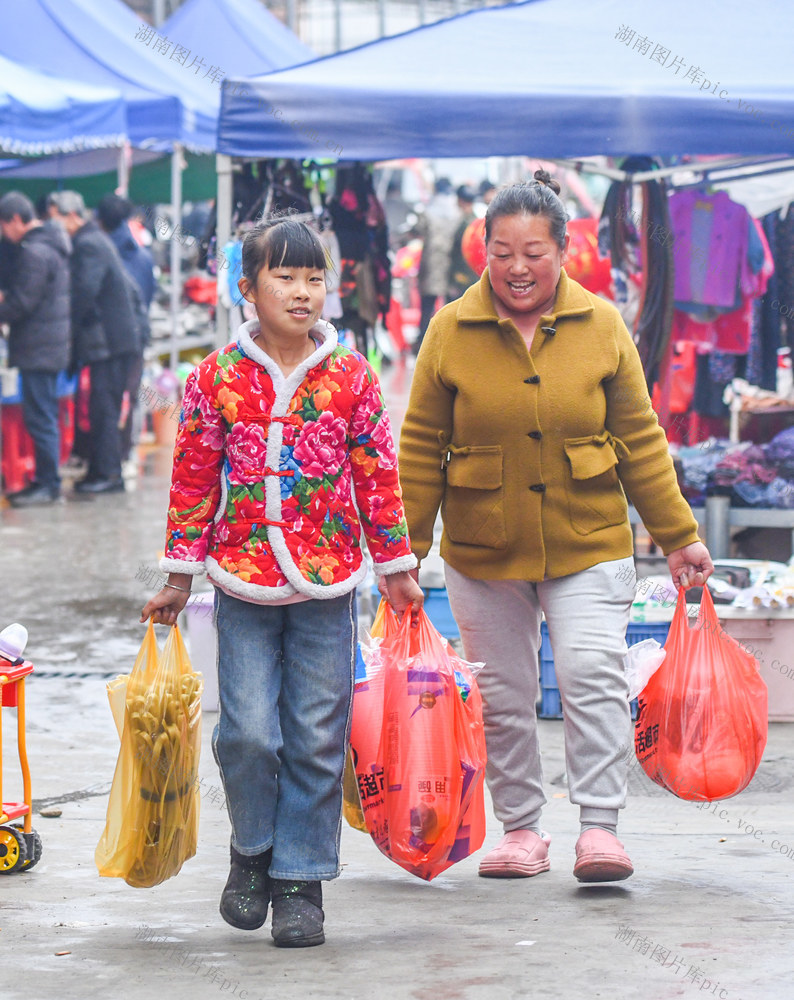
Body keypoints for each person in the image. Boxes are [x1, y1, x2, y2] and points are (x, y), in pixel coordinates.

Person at [396, 172, 714, 884]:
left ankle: (599, 826)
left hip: (589, 538)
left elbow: (640, 437)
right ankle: (521, 830)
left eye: (533, 253)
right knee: (503, 694)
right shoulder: (449, 329)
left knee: (590, 672)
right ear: (482, 250)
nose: (517, 268)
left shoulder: (601, 324)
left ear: (564, 251)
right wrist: (403, 555)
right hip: (482, 547)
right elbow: (419, 447)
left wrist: (678, 534)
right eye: (502, 252)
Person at [140, 218, 423, 947]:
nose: (302, 292)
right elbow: (193, 479)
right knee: (248, 736)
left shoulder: (352, 376)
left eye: (314, 278)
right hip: (242, 583)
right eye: (285, 277)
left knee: (317, 737)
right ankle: (252, 852)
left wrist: (396, 568)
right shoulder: (214, 377)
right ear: (248, 289)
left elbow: (378, 478)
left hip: (329, 588)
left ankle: (300, 882)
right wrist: (178, 576)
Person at [51, 191, 142, 494]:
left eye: (56, 217)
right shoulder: (93, 239)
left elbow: (83, 293)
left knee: (105, 410)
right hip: (111, 342)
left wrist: (68, 328)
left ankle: (109, 475)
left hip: (110, 344)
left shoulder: (88, 243)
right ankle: (100, 470)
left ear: (72, 216)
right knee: (101, 409)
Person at [0, 191, 71, 507]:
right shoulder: (50, 245)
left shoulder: (35, 253)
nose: (4, 234)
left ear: (16, 220)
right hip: (46, 346)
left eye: (3, 226)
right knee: (43, 416)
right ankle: (46, 481)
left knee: (40, 418)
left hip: (39, 349)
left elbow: (22, 302)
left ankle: (48, 484)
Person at [96, 193, 155, 464]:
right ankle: (125, 453)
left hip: (112, 338)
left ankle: (110, 460)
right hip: (138, 335)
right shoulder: (142, 255)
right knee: (130, 396)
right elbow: (148, 297)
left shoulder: (104, 253)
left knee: (108, 399)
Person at [414, 177, 458, 355]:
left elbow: (418, 230)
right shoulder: (457, 211)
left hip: (431, 264)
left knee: (427, 307)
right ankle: (450, 344)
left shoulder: (428, 210)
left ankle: (423, 344)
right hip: (450, 266)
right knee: (451, 307)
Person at [447, 184, 479, 300]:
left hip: (462, 278)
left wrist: (455, 282)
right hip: (471, 277)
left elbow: (461, 254)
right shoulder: (476, 222)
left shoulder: (466, 224)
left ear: (460, 200)